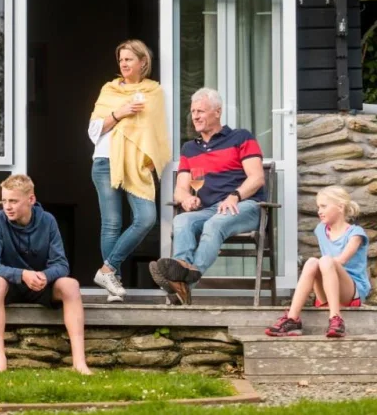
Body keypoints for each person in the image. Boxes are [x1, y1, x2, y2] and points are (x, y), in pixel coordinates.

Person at [149, 87, 265, 305]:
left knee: (214, 224)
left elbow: (257, 178)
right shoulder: (189, 149)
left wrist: (235, 196)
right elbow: (180, 189)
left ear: (217, 112)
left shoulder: (241, 137)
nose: (195, 116)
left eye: (200, 111)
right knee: (182, 220)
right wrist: (186, 198)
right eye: (193, 112)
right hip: (210, 209)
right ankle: (181, 273)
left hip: (245, 206)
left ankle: (181, 283)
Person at [0, 174, 91, 375]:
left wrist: (45, 276)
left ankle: (79, 363)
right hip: (8, 285)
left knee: (71, 285)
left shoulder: (48, 221)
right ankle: (0, 361)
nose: (7, 207)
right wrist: (22, 274)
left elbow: (61, 264)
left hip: (40, 285)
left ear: (31, 199)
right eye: (4, 201)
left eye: (13, 201)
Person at [88, 39, 170, 303]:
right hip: (105, 161)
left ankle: (107, 270)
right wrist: (119, 113)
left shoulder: (154, 92)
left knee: (146, 218)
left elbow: (157, 131)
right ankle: (114, 285)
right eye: (121, 59)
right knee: (111, 224)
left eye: (129, 59)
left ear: (142, 62)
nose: (123, 64)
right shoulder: (109, 90)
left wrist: (152, 156)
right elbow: (93, 131)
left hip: (136, 164)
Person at [266, 186, 370, 338]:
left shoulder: (356, 233)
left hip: (353, 293)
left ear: (340, 207)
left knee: (325, 260)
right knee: (311, 262)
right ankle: (292, 319)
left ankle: (336, 318)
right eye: (318, 207)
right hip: (327, 291)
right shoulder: (320, 229)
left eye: (324, 206)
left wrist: (325, 263)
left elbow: (342, 260)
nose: (319, 211)